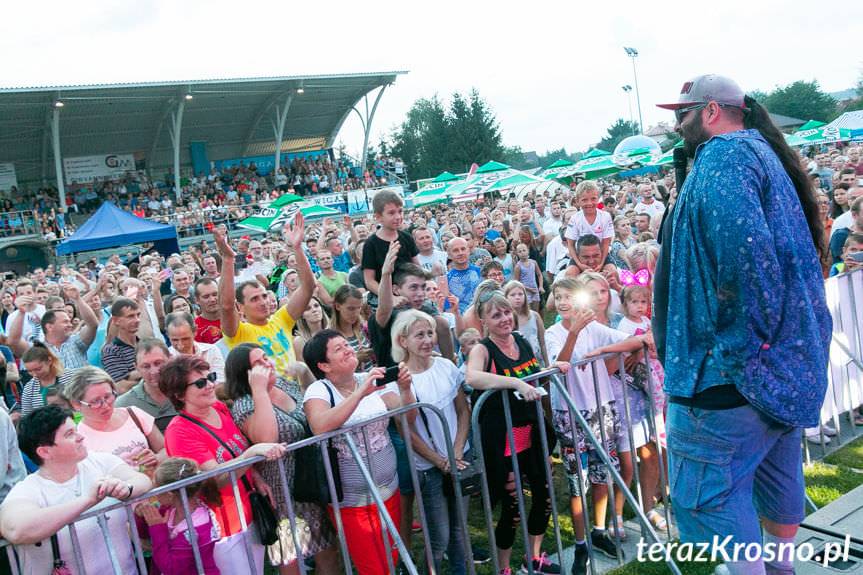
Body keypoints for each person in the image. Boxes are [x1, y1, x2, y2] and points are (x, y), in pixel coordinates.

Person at [654, 75, 832, 575]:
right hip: (769, 374)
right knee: (778, 483)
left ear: (711, 112)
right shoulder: (756, 153)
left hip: (728, 380)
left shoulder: (726, 157)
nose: (676, 123)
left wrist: (741, 350)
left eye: (682, 113)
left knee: (705, 500)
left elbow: (746, 258)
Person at [545, 277, 653, 573]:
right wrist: (574, 334)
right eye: (559, 296)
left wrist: (599, 351)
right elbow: (559, 363)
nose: (565, 302)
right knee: (578, 483)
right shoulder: (552, 332)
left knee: (601, 475)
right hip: (570, 414)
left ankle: (599, 530)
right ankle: (580, 546)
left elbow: (637, 340)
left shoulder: (594, 329)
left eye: (570, 296)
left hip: (602, 409)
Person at [302, 329, 416, 575]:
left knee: (391, 556)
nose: (348, 349)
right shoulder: (319, 390)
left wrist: (406, 390)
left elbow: (407, 417)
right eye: (338, 348)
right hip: (352, 500)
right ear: (324, 365)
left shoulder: (371, 377)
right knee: (373, 566)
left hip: (389, 488)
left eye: (347, 344)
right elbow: (319, 425)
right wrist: (360, 393)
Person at [465, 291, 559, 575]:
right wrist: (514, 384)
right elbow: (473, 377)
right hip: (504, 440)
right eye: (496, 315)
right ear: (483, 320)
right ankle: (503, 568)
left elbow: (533, 372)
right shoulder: (482, 349)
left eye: (507, 312)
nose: (505, 318)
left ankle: (533, 557)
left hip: (532, 431)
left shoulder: (521, 340)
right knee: (512, 507)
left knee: (543, 496)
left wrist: (551, 369)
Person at [226, 343, 338, 574]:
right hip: (281, 494)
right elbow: (267, 437)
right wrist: (259, 390)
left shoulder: (285, 385)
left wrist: (305, 373)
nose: (267, 363)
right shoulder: (244, 405)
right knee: (290, 558)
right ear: (244, 374)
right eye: (258, 363)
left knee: (327, 549)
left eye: (266, 357)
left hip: (310, 483)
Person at [0, 405, 152, 574]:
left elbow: (142, 480)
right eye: (69, 434)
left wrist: (126, 488)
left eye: (75, 430)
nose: (80, 437)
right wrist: (87, 500)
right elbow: (16, 530)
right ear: (45, 451)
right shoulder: (28, 490)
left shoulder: (100, 461)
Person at [392, 309, 472, 575]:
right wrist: (440, 460)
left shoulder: (446, 367)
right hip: (428, 468)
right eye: (419, 335)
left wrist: (457, 451)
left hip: (459, 458)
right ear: (403, 341)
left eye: (430, 333)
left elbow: (463, 410)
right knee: (439, 537)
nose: (427, 340)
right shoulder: (400, 382)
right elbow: (407, 431)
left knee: (460, 529)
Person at [216, 212, 314, 379]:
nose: (263, 302)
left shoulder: (281, 319)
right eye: (254, 299)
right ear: (240, 307)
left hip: (293, 396)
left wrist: (297, 248)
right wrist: (228, 260)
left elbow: (308, 287)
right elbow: (225, 306)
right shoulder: (239, 332)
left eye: (263, 296)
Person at [65, 365, 166, 476]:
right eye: (95, 401)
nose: (105, 405)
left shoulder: (133, 414)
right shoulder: (79, 439)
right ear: (76, 404)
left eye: (108, 396)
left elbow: (166, 449)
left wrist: (155, 458)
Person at [137, 457, 222, 575]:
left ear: (169, 494)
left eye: (156, 488)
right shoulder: (170, 510)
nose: (153, 493)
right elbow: (143, 533)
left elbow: (171, 569)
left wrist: (157, 527)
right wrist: (141, 516)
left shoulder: (195, 529)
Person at [6, 282, 99, 369]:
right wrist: (22, 312)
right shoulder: (39, 351)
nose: (70, 325)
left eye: (69, 321)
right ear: (49, 327)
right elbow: (14, 342)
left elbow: (93, 325)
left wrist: (78, 298)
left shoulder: (75, 342)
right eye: (65, 322)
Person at [362, 190, 420, 300]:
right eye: (391, 213)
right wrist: (390, 298)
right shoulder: (370, 244)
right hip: (385, 299)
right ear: (378, 217)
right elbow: (369, 281)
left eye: (400, 211)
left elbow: (417, 267)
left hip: (410, 294)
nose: (398, 216)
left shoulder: (406, 237)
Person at [116, 338, 178, 433]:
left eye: (158, 363)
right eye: (146, 366)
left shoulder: (188, 392)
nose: (154, 371)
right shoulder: (124, 405)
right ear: (136, 368)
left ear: (170, 359)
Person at [165, 311, 225, 386]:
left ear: (195, 331)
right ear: (167, 334)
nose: (180, 345)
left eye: (185, 339)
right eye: (175, 340)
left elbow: (220, 384)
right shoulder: (165, 358)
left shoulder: (211, 351)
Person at [565, 181, 613, 272]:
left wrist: (601, 263)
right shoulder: (575, 219)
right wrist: (579, 264)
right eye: (584, 200)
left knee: (612, 271)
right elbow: (570, 245)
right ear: (577, 201)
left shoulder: (605, 216)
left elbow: (606, 243)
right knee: (570, 274)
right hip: (581, 257)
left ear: (598, 199)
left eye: (593, 199)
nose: (589, 203)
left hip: (601, 255)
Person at [19, 342, 73, 415]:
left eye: (38, 369)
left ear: (49, 361)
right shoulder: (29, 388)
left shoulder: (70, 377)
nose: (34, 375)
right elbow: (26, 417)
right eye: (30, 371)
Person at [101, 297, 142, 393]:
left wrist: (133, 375)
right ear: (116, 320)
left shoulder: (145, 344)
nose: (137, 320)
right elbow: (120, 387)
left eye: (138, 315)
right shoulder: (111, 350)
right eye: (130, 316)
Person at [503, 280, 548, 366]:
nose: (517, 297)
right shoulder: (506, 320)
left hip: (538, 362)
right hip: (519, 366)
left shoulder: (534, 316)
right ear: (506, 297)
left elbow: (543, 343)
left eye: (520, 294)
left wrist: (547, 363)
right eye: (512, 295)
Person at [332, 284, 375, 371]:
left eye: (358, 308)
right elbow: (333, 370)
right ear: (338, 306)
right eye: (351, 309)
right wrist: (356, 359)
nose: (355, 313)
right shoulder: (330, 335)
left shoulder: (363, 328)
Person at [447, 237, 482, 315]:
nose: (460, 253)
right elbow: (448, 309)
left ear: (469, 251)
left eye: (463, 249)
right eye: (455, 250)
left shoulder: (481, 272)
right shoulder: (446, 280)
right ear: (449, 255)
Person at [293, 296, 331, 365]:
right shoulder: (299, 341)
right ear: (302, 315)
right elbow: (303, 371)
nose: (314, 310)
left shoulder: (334, 330)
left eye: (316, 306)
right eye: (308, 308)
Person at [513, 243, 544, 312]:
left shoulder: (533, 262)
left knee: (536, 311)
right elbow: (517, 282)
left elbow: (539, 275)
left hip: (535, 289)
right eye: (520, 251)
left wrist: (541, 286)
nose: (522, 253)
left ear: (528, 251)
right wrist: (529, 289)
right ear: (517, 254)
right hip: (525, 291)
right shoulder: (518, 266)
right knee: (528, 311)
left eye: (524, 250)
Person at [193, 277, 223, 345]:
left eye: (215, 294)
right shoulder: (195, 329)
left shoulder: (235, 317)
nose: (212, 299)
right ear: (197, 300)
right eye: (206, 296)